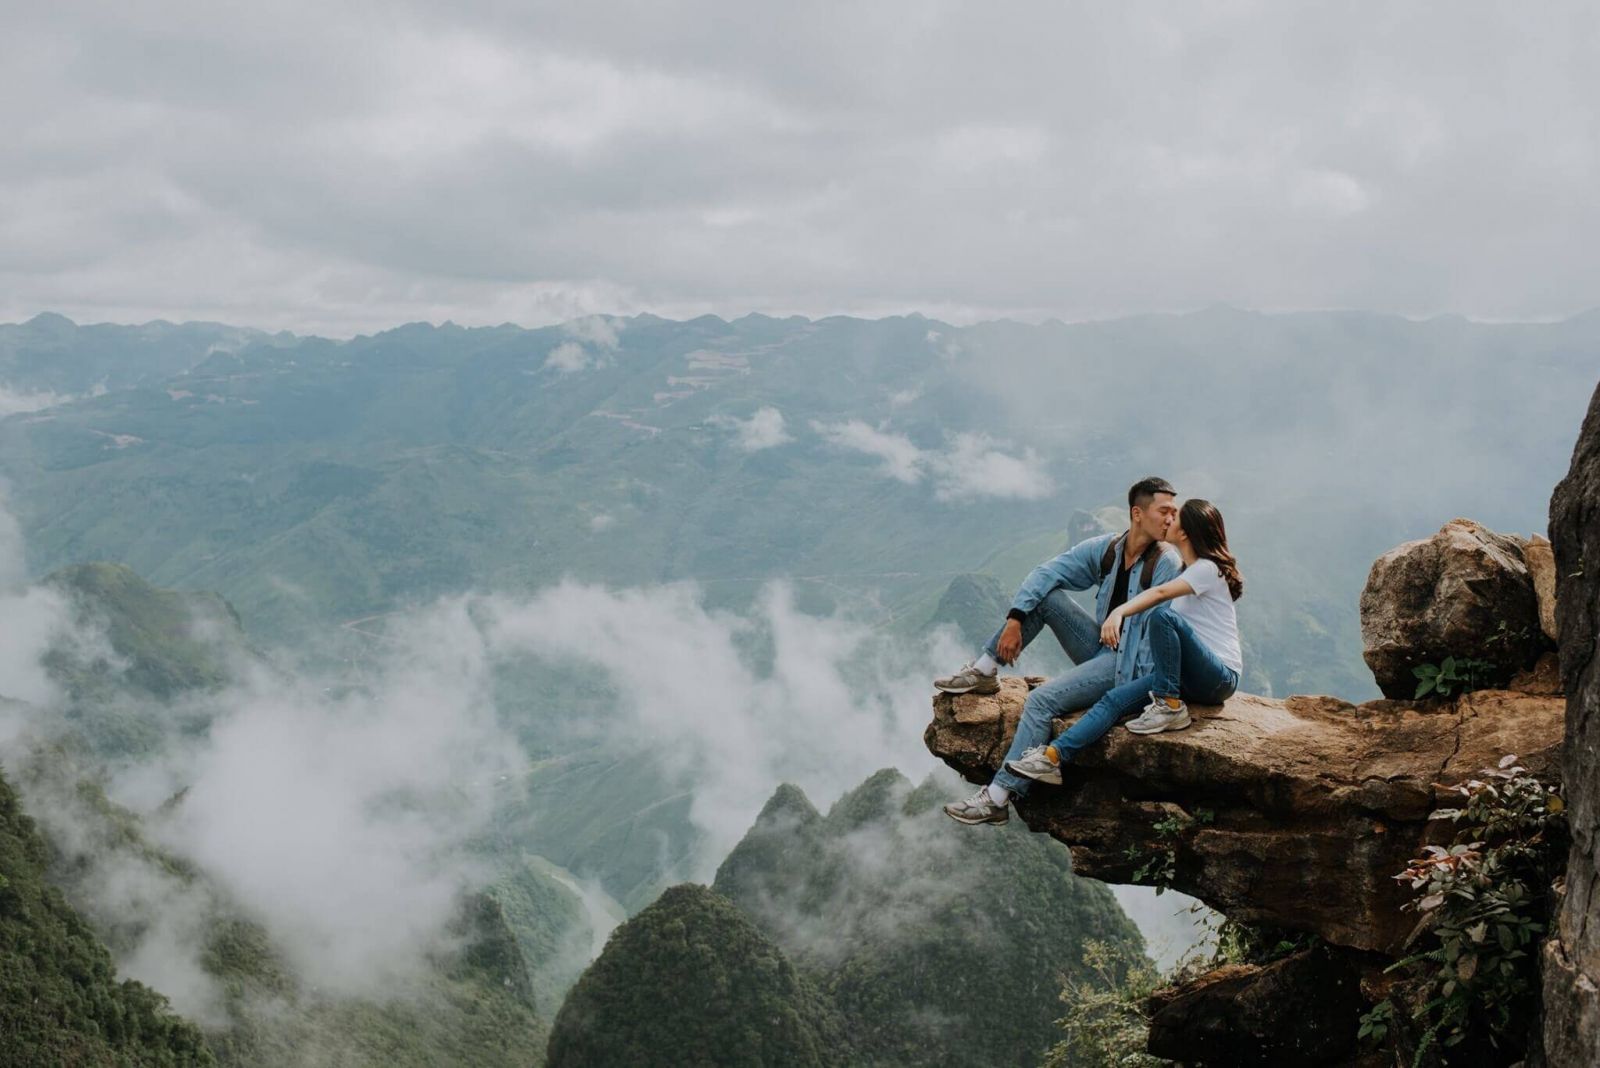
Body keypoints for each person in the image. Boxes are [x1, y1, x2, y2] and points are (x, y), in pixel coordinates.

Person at [939, 477, 1181, 826]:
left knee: (1041, 701)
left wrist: (1127, 694)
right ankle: (985, 668)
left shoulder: (1166, 563)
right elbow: (1046, 572)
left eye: (1174, 512)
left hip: (1128, 667)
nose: (1171, 519)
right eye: (1164, 511)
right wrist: (1015, 618)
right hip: (1103, 646)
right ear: (1137, 513)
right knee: (1047, 598)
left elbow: (1157, 636)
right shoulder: (1109, 550)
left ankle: (998, 797)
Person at [1001, 498, 1244, 789]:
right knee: (1113, 700)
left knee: (1162, 617)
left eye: (1175, 517)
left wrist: (1119, 612)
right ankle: (1052, 758)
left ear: (1185, 532)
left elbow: (1160, 594)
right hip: (1187, 676)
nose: (1168, 520)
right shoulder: (1186, 571)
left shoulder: (1207, 568)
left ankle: (1169, 706)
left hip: (1219, 677)